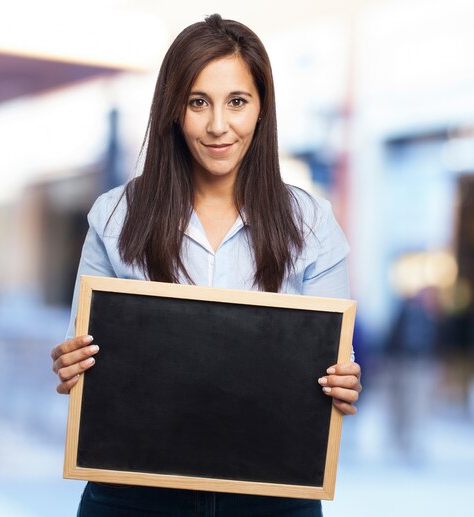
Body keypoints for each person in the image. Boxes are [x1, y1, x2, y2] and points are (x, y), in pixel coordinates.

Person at [50, 14, 361, 517]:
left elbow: (335, 371)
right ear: (174, 110)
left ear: (262, 110)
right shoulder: (115, 216)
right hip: (133, 496)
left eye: (237, 102)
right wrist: (70, 365)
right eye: (199, 103)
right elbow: (80, 363)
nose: (219, 125)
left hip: (272, 498)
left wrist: (345, 385)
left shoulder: (312, 222)